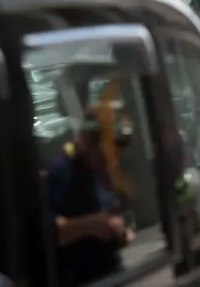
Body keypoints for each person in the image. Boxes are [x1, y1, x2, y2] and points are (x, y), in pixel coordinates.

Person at [46, 101, 135, 286]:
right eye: (104, 158)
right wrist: (89, 225)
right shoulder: (61, 171)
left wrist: (117, 232)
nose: (109, 165)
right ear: (87, 140)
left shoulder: (97, 172)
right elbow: (48, 233)